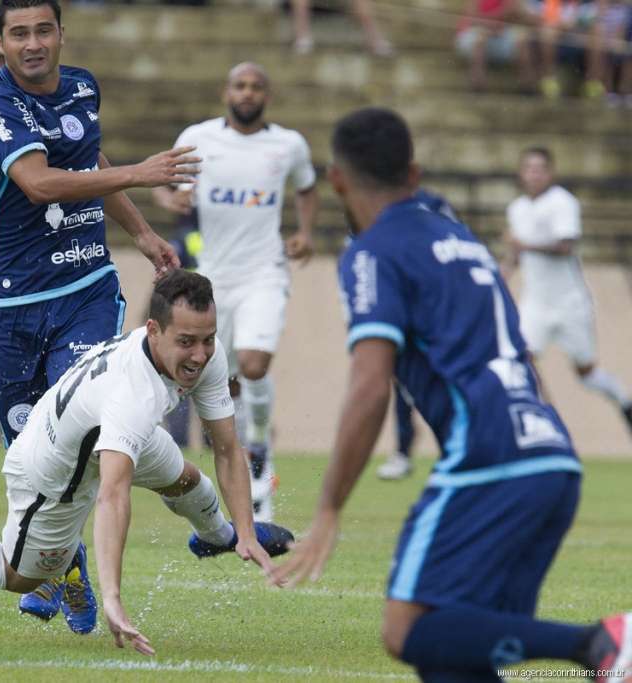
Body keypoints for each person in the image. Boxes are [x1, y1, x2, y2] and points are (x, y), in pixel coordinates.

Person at [270, 107, 630, 683]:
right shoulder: (463, 243)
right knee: (458, 656)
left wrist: (330, 507)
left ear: (336, 177)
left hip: (487, 460)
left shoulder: (374, 253)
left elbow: (369, 386)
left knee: (407, 629)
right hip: (549, 453)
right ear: (413, 173)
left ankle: (602, 641)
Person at [0, 270, 293, 652]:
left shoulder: (203, 358)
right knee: (19, 574)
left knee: (185, 479)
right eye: (186, 341)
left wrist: (246, 531)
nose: (200, 354)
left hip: (107, 432)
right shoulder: (131, 396)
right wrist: (115, 600)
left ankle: (222, 539)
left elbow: (227, 448)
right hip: (53, 468)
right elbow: (111, 496)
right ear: (154, 330)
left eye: (207, 338)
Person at [0, 0, 193, 627]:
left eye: (44, 30)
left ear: (62, 34)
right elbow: (39, 182)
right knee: (32, 454)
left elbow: (88, 162)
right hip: (12, 300)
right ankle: (66, 571)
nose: (33, 43)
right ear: (0, 43)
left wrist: (143, 234)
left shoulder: (83, 86)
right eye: (19, 34)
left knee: (83, 425)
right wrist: (142, 173)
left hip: (86, 284)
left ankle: (69, 573)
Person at [151, 62, 317, 522]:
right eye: (240, 85)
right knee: (226, 380)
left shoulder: (287, 144)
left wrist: (304, 232)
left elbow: (306, 187)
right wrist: (172, 199)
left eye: (256, 86)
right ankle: (251, 465)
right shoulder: (199, 137)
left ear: (267, 94)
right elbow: (164, 185)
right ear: (227, 92)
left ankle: (261, 444)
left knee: (254, 361)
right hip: (215, 276)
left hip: (265, 272)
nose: (247, 93)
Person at [505, 147, 632, 435]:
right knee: (520, 361)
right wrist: (499, 277)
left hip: (570, 303)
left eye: (540, 169)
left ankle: (625, 401)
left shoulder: (562, 203)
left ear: (551, 173)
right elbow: (514, 255)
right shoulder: (517, 209)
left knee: (587, 375)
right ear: (521, 173)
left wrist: (526, 245)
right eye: (529, 168)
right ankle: (544, 424)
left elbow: (566, 246)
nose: (534, 175)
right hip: (535, 303)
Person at [376, 187, 461, 481]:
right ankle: (403, 451)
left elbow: (456, 242)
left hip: (437, 308)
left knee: (446, 379)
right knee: (403, 379)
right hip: (400, 309)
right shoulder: (370, 207)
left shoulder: (433, 204)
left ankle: (456, 449)